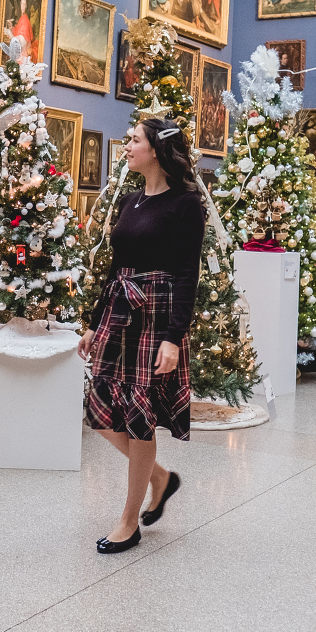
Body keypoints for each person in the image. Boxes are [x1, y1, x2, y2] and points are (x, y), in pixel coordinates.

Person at [78, 118, 205, 554]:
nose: (126, 146)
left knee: (139, 417)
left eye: (134, 140)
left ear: (156, 150)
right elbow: (116, 268)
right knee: (97, 408)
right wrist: (95, 324)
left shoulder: (186, 204)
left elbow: (189, 275)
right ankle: (159, 478)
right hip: (120, 311)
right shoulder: (130, 200)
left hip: (157, 316)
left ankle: (128, 522)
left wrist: (174, 337)